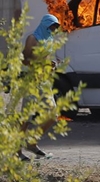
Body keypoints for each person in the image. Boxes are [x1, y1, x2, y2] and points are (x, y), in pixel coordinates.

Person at [18, 14, 61, 161]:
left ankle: (31, 142)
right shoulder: (33, 38)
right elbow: (24, 60)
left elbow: (47, 60)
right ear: (44, 25)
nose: (53, 30)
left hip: (44, 81)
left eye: (55, 27)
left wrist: (52, 65)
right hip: (31, 80)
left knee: (53, 115)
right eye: (51, 26)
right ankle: (16, 151)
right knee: (26, 117)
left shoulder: (49, 40)